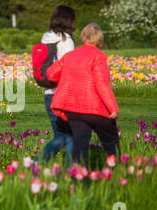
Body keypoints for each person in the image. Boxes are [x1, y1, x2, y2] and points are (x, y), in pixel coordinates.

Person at [47, 23, 120, 166]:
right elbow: (101, 83)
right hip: (96, 109)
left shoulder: (70, 56)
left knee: (80, 146)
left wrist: (68, 76)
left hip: (74, 110)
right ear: (99, 39)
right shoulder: (98, 56)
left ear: (83, 38)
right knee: (111, 142)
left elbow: (51, 74)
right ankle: (116, 170)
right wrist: (113, 108)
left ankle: (78, 178)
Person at [39, 5, 75, 167]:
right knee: (69, 136)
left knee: (61, 135)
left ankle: (36, 165)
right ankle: (71, 172)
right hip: (62, 94)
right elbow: (68, 68)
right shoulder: (66, 41)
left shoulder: (45, 37)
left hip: (48, 93)